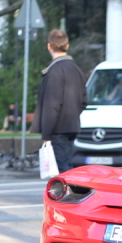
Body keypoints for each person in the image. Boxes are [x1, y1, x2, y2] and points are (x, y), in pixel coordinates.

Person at [33, 29, 87, 173]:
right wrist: (72, 115)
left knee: (62, 170)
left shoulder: (54, 71)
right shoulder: (76, 70)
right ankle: (69, 194)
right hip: (72, 126)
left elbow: (52, 106)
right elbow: (83, 101)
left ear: (49, 46)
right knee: (66, 164)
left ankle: (69, 195)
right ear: (67, 46)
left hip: (57, 130)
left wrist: (46, 135)